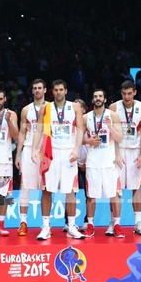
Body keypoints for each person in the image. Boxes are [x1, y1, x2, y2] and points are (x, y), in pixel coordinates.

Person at [31, 79, 86, 240]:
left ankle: (71, 226)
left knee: (70, 191)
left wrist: (77, 149)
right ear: (52, 92)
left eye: (61, 89)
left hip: (69, 153)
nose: (58, 92)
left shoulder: (75, 107)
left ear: (66, 90)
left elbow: (81, 129)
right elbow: (39, 130)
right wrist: (35, 149)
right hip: (51, 153)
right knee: (47, 190)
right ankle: (46, 227)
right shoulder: (45, 108)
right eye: (55, 90)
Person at [108, 80, 141, 236]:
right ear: (121, 93)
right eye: (124, 94)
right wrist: (116, 153)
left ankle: (138, 222)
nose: (127, 97)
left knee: (136, 187)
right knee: (115, 188)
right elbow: (110, 132)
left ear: (135, 92)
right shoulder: (113, 108)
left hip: (135, 152)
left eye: (129, 93)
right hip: (117, 152)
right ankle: (114, 222)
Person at [82, 89, 123, 237]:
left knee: (115, 195)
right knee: (91, 196)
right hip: (93, 162)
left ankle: (117, 225)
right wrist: (88, 141)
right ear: (92, 100)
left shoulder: (113, 116)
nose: (98, 99)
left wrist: (110, 126)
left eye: (100, 96)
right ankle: (91, 225)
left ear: (105, 100)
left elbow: (120, 139)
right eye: (95, 97)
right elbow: (77, 138)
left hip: (109, 161)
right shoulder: (86, 117)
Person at [14, 79, 47, 236]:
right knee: (25, 186)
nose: (37, 90)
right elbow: (22, 133)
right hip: (28, 149)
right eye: (35, 88)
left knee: (47, 188)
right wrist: (18, 154)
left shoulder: (51, 109)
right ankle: (23, 222)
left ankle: (46, 225)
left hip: (45, 150)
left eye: (40, 88)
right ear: (32, 91)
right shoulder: (26, 110)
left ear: (45, 90)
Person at [0, 88, 19, 236]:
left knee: (4, 195)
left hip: (5, 159)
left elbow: (16, 136)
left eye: (1, 99)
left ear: (5, 99)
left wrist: (8, 121)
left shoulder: (11, 114)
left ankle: (0, 224)